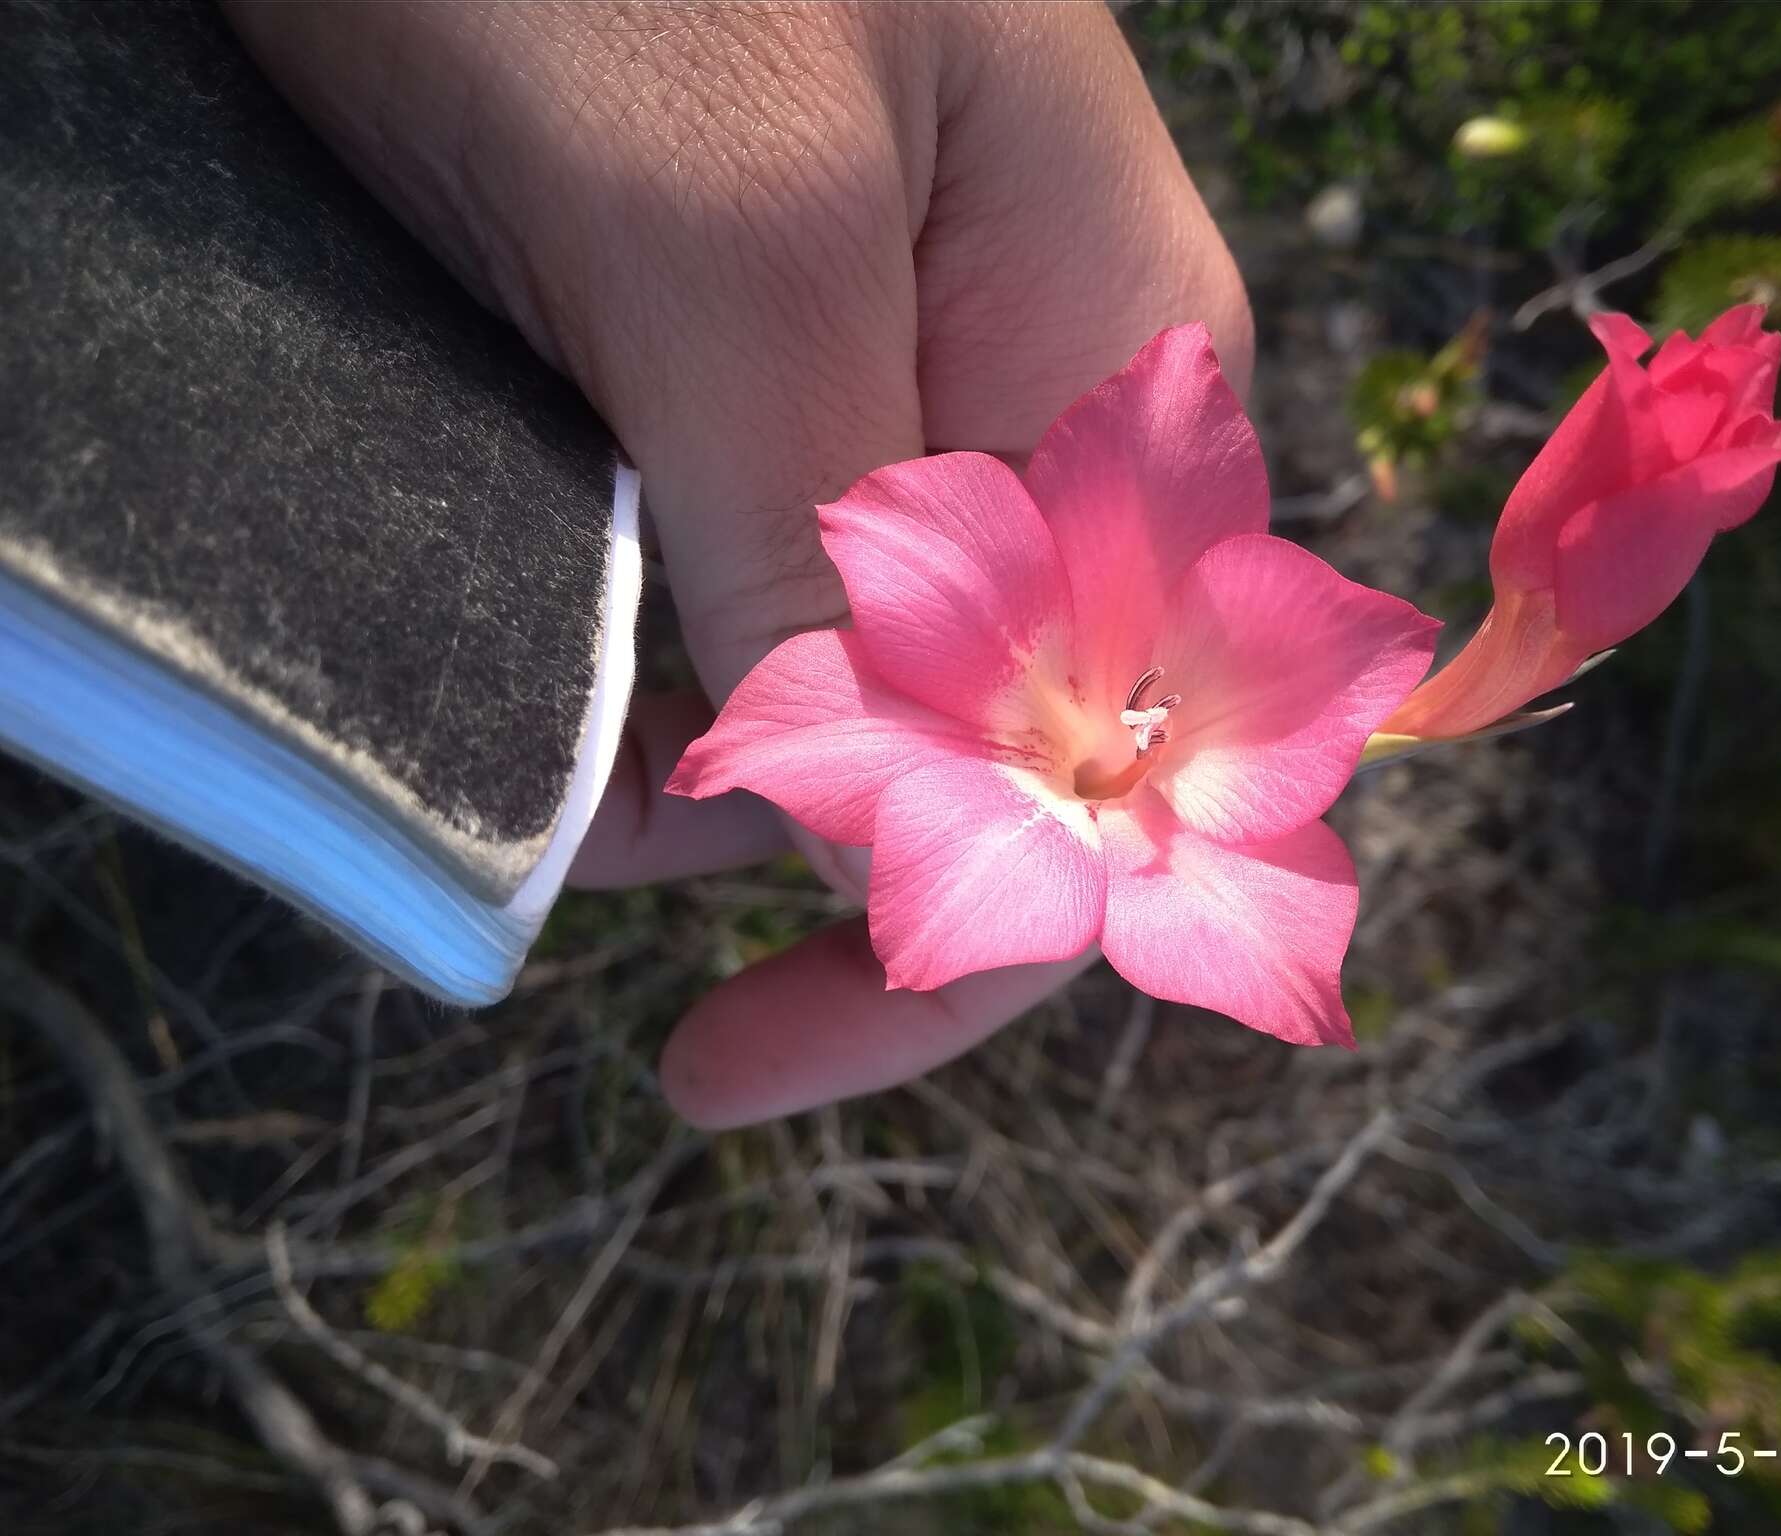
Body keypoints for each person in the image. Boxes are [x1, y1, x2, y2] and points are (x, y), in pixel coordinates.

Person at [223, 3, 1254, 1129]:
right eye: (1145, 729)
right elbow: (899, 535)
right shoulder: (999, 566)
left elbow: (1322, 677)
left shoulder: (1197, 729)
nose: (1137, 733)